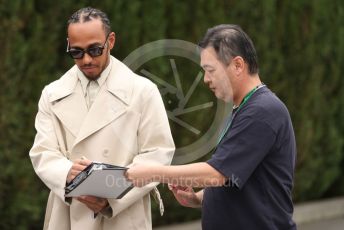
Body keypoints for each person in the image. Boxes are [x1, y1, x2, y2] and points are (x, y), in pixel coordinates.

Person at [126, 24, 297, 230]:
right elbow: (235, 174)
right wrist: (197, 198)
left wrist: (154, 172)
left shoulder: (262, 112)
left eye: (210, 70)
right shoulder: (244, 109)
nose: (206, 79)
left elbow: (217, 174)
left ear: (238, 65)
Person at [29, 7, 174, 230]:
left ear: (111, 41)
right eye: (76, 52)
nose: (86, 59)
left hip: (123, 214)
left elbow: (158, 153)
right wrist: (68, 173)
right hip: (68, 214)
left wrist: (111, 194)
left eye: (95, 50)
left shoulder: (143, 90)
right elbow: (42, 152)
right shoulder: (52, 94)